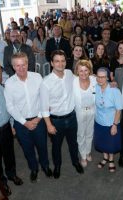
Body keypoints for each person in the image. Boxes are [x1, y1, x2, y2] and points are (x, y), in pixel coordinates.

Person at [4, 52, 52, 182]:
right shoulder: (9, 83)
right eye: (17, 65)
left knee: (42, 146)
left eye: (23, 64)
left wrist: (39, 117)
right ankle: (34, 168)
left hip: (39, 120)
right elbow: (10, 107)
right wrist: (25, 122)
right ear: (13, 66)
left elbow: (44, 99)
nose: (21, 68)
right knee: (27, 149)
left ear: (27, 63)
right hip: (21, 123)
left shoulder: (37, 77)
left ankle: (45, 166)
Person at [40, 50, 84, 179]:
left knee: (73, 143)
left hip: (71, 117)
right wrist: (48, 125)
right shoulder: (45, 82)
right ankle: (57, 166)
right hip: (56, 121)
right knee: (56, 146)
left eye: (63, 60)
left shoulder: (70, 73)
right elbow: (44, 107)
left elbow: (83, 79)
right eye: (57, 61)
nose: (61, 64)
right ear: (52, 63)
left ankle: (75, 162)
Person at [0, 65, 23, 195]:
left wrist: (11, 125)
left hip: (6, 128)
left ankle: (11, 174)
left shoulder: (0, 88)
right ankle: (2, 181)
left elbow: (9, 108)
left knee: (9, 154)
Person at [94, 67, 122, 172]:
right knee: (102, 141)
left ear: (107, 78)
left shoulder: (115, 90)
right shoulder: (95, 87)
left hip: (111, 122)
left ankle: (111, 160)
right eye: (98, 77)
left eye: (103, 77)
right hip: (99, 121)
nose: (100, 79)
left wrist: (114, 125)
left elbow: (119, 109)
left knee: (111, 143)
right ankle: (105, 157)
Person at [73, 60, 96, 167]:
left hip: (92, 110)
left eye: (86, 70)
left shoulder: (94, 80)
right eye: (81, 70)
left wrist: (113, 83)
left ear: (89, 71)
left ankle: (88, 152)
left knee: (90, 133)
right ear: (77, 71)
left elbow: (105, 83)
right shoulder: (73, 81)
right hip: (80, 111)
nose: (83, 73)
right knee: (81, 134)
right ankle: (83, 155)